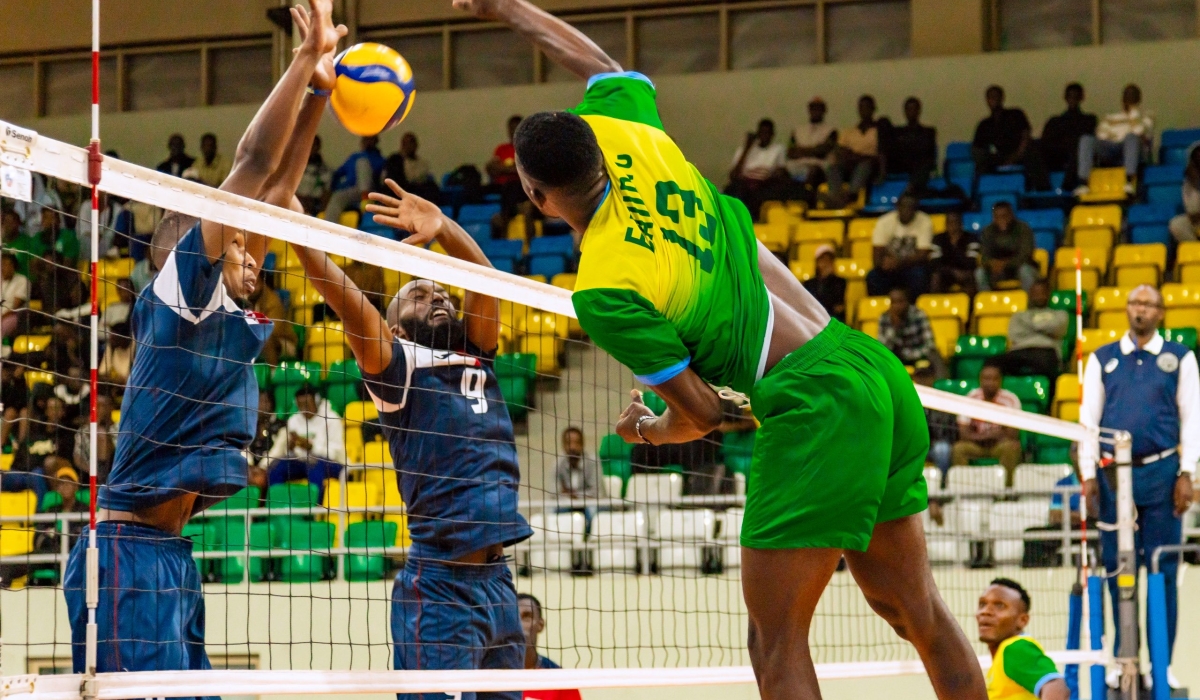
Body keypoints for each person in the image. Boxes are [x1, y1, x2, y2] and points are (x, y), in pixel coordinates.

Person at [460, 1, 987, 697]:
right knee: (915, 612)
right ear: (597, 143)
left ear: (533, 193)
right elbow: (600, 65)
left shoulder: (607, 287)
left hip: (812, 401)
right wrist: (504, 6)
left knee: (775, 640)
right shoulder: (631, 134)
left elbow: (703, 414)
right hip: (867, 365)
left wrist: (651, 428)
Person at [62, 1, 345, 687]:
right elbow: (253, 164)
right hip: (124, 553)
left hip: (169, 553)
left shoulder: (221, 302)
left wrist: (320, 96)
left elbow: (276, 192)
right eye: (237, 242)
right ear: (187, 252)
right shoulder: (180, 295)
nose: (253, 252)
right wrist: (301, 59)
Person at [297, 175, 534, 699]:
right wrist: (292, 226)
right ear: (396, 326)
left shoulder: (478, 350)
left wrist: (445, 227)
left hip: (498, 584)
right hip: (440, 590)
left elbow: (483, 279)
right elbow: (341, 294)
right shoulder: (396, 365)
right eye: (419, 295)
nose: (438, 296)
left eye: (440, 290)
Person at [1079, 284, 1196, 691]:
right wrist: (1088, 474)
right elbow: (1087, 420)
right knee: (1116, 571)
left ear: (1161, 312)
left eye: (1148, 304)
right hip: (1113, 478)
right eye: (1134, 303)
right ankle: (1121, 659)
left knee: (1162, 571)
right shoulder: (1103, 358)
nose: (1140, 310)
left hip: (1162, 474)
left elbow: (1192, 417)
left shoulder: (1180, 358)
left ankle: (1159, 666)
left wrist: (1187, 472)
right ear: (1126, 310)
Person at [976, 579, 1070, 700]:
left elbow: (1055, 686)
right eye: (982, 604)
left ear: (1022, 620)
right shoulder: (1001, 661)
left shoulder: (1015, 648)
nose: (986, 611)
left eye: (999, 605)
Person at [267, 385, 346, 500]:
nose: (304, 409)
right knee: (276, 466)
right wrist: (290, 448)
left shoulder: (332, 419)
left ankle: (314, 510)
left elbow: (335, 453)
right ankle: (277, 505)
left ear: (317, 401)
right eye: (300, 405)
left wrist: (311, 447)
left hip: (332, 463)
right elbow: (291, 453)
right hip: (302, 461)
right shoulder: (293, 420)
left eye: (307, 404)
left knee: (315, 465)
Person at [1076, 84, 1152, 197]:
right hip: (1111, 148)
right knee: (1086, 139)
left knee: (1131, 138)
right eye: (1127, 96)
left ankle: (1129, 181)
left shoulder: (1146, 116)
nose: (1129, 99)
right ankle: (1083, 183)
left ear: (1138, 99)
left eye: (1133, 96)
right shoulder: (1110, 117)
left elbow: (1139, 131)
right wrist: (1116, 136)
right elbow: (1101, 135)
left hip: (1133, 151)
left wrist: (1132, 112)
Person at [953, 364, 1023, 484]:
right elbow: (963, 434)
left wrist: (982, 435)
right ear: (980, 380)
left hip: (999, 446)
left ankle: (1007, 493)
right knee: (958, 449)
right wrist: (992, 435)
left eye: (994, 379)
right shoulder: (971, 398)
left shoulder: (1011, 400)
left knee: (1011, 447)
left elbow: (1012, 434)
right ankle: (963, 490)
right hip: (977, 445)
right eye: (986, 378)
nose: (990, 382)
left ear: (1000, 381)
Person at [996, 279, 1066, 382]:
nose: (1039, 296)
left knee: (1048, 366)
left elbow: (1057, 329)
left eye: (1042, 293)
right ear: (1030, 294)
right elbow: (1014, 335)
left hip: (1046, 350)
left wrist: (1030, 326)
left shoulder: (1060, 314)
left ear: (1048, 294)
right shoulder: (1018, 315)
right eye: (1036, 293)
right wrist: (1045, 330)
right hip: (1020, 350)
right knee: (993, 363)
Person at [866, 193, 933, 298]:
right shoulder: (883, 222)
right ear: (897, 207)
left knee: (920, 275)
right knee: (873, 276)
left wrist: (899, 262)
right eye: (904, 207)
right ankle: (881, 310)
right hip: (889, 268)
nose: (907, 210)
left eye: (911, 208)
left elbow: (923, 255)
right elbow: (876, 256)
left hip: (911, 268)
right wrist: (884, 263)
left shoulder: (924, 221)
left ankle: (914, 309)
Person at [518, 593, 583, 700]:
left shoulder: (560, 679)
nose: (519, 624)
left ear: (540, 625)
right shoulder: (490, 675)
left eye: (527, 617)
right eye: (513, 617)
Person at [1033, 83, 1096, 191]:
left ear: (1081, 98)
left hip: (1075, 156)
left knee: (1080, 145)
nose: (1073, 100)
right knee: (1033, 145)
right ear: (1065, 98)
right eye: (1070, 96)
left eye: (1076, 97)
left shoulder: (1089, 119)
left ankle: (1068, 185)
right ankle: (1043, 186)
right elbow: (1046, 141)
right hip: (1056, 155)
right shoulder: (1054, 121)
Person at [726, 118, 791, 220]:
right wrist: (747, 148)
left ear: (772, 134)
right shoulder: (743, 150)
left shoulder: (778, 149)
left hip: (765, 184)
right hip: (744, 184)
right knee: (733, 191)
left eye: (767, 133)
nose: (764, 135)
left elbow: (781, 171)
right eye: (762, 132)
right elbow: (733, 175)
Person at [826, 95, 883, 208]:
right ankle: (835, 196)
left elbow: (877, 155)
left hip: (869, 167)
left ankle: (851, 195)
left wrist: (854, 154)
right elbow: (840, 150)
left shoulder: (879, 131)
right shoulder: (849, 132)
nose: (864, 110)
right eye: (861, 107)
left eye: (867, 107)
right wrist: (858, 156)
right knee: (833, 167)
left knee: (865, 165)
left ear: (873, 109)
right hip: (850, 164)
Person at [878, 288, 943, 375]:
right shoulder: (885, 317)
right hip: (896, 358)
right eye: (893, 302)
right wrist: (894, 329)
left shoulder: (918, 315)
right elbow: (881, 348)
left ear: (907, 302)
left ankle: (939, 385)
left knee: (935, 356)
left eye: (900, 301)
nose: (897, 306)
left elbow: (930, 345)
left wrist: (911, 355)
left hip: (918, 355)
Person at [324, 135, 385, 224]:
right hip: (352, 190)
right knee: (337, 197)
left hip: (370, 192)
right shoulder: (354, 157)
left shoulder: (380, 160)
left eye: (370, 139)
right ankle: (329, 227)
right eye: (366, 139)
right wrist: (331, 188)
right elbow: (337, 174)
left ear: (376, 141)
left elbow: (382, 179)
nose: (368, 142)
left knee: (362, 162)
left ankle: (365, 198)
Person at [977, 202, 1036, 292]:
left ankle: (1029, 304)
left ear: (1011, 215)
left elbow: (1026, 255)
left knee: (1026, 272)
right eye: (997, 217)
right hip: (996, 271)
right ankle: (988, 303)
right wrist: (993, 264)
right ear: (994, 218)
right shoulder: (987, 231)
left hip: (1018, 268)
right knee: (979, 273)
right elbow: (984, 257)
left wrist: (1005, 264)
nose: (1001, 220)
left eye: (1004, 216)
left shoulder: (1023, 228)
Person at [972, 86, 1031, 175]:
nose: (993, 99)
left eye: (995, 96)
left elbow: (1026, 136)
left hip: (1020, 156)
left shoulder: (1016, 114)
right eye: (990, 97)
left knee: (1032, 156)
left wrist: (1015, 157)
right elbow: (978, 148)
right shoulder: (984, 125)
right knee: (982, 165)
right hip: (998, 159)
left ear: (1002, 97)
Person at [786, 97, 837, 194]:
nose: (815, 111)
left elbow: (822, 151)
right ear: (809, 109)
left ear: (824, 110)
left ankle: (806, 198)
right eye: (813, 108)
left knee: (814, 171)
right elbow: (791, 152)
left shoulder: (831, 131)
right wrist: (813, 150)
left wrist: (801, 150)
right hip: (798, 166)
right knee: (780, 172)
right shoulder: (797, 130)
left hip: (819, 166)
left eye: (819, 108)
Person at [888, 97, 937, 195]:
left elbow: (928, 151)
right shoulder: (898, 132)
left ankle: (910, 189)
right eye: (908, 109)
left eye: (913, 109)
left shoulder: (929, 132)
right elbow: (896, 151)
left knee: (926, 164)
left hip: (920, 164)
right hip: (902, 164)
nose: (911, 112)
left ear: (919, 111)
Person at [248, 280, 297, 364]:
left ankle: (272, 373)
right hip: (254, 339)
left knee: (267, 339)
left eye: (256, 282)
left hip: (283, 342)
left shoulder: (272, 299)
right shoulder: (243, 298)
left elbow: (273, 330)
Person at [382, 132, 440, 203]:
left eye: (411, 143)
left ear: (416, 145)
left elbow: (417, 178)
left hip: (417, 192)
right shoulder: (394, 161)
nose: (409, 146)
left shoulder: (422, 164)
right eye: (406, 144)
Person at [930, 211, 979, 295]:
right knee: (936, 277)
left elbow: (972, 262)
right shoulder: (938, 239)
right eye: (950, 222)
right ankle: (937, 304)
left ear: (961, 224)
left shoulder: (971, 238)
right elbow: (935, 263)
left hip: (965, 273)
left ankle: (970, 306)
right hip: (946, 274)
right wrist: (953, 272)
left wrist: (960, 272)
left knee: (971, 277)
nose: (953, 225)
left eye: (955, 221)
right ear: (945, 224)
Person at [73, 394, 117, 487]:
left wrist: (99, 431)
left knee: (101, 434)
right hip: (88, 474)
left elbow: (115, 454)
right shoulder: (84, 430)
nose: (99, 409)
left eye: (103, 406)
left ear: (111, 407)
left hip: (114, 473)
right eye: (96, 405)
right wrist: (92, 471)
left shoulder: (120, 428)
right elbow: (77, 457)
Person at [555, 426, 603, 499]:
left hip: (589, 502)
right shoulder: (558, 463)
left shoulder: (593, 462)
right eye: (568, 443)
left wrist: (574, 495)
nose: (572, 447)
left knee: (592, 508)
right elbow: (553, 493)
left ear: (582, 444)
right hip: (566, 503)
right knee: (552, 508)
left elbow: (596, 493)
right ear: (563, 445)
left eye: (576, 443)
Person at [802, 244, 846, 322]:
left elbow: (838, 307)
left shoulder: (840, 282)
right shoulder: (809, 284)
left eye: (829, 260)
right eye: (823, 260)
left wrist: (828, 279)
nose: (826, 263)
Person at [1168, 144, 1200, 244]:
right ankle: (1195, 252)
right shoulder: (1189, 181)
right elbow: (1191, 210)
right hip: (1196, 220)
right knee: (1176, 224)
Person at [297, 135, 332, 216]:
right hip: (295, 201)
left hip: (314, 207)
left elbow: (326, 195)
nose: (311, 148)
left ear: (318, 147)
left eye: (314, 145)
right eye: (309, 144)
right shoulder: (294, 167)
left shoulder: (325, 171)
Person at [0, 251, 30, 337]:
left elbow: (15, 307)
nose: (3, 268)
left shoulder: (22, 280)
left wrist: (1, 317)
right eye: (1, 264)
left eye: (6, 264)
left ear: (13, 266)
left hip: (12, 316)